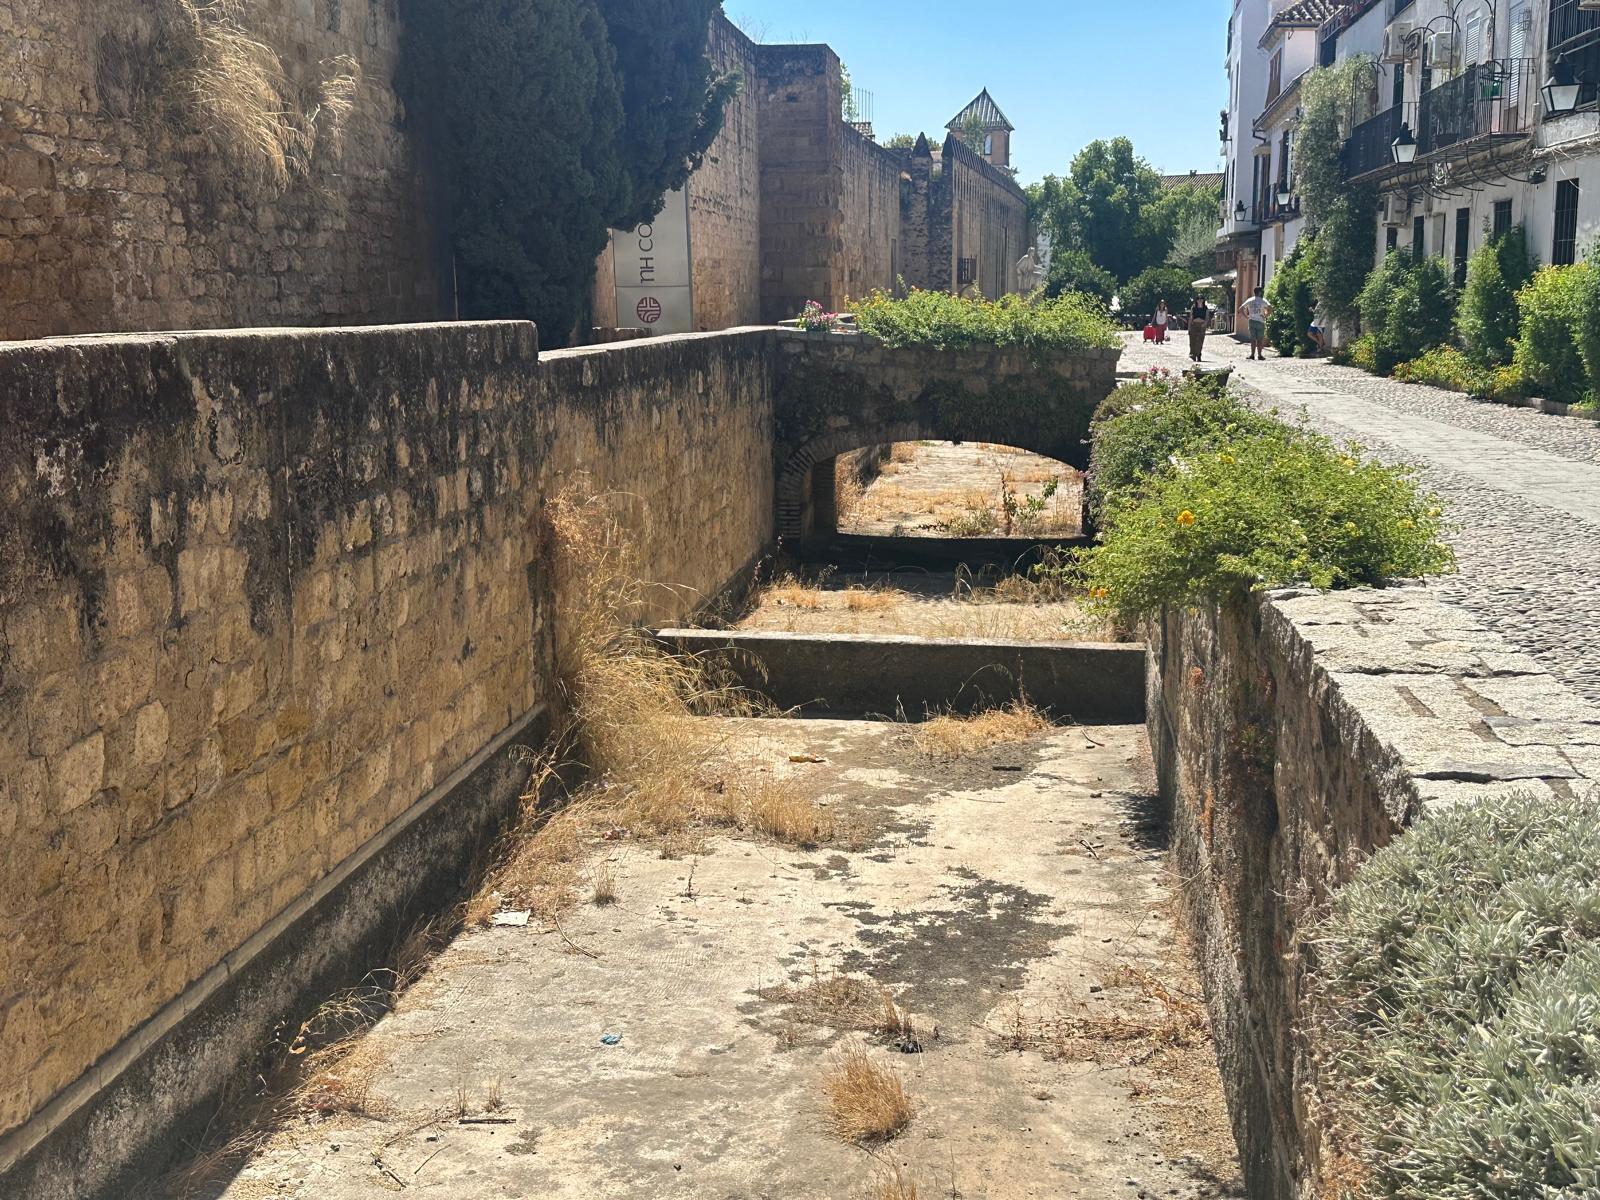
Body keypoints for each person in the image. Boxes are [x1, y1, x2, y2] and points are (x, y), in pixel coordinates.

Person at [1238, 287, 1272, 360]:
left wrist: (1246, 316)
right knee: (1260, 339)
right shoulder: (1263, 300)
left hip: (1252, 320)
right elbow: (1271, 308)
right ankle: (1259, 355)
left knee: (1253, 339)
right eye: (1262, 291)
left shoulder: (1250, 300)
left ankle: (1252, 355)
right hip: (1260, 321)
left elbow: (1240, 308)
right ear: (1259, 292)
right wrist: (1266, 315)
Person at [1188, 295, 1210, 363]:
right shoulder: (1193, 307)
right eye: (1198, 299)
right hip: (1194, 324)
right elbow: (1191, 317)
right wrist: (1189, 327)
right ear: (1196, 300)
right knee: (1192, 340)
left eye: (1201, 299)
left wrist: (1205, 324)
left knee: (1200, 341)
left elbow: (1207, 317)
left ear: (1203, 300)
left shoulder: (1205, 308)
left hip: (1202, 325)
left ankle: (1199, 354)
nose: (1200, 300)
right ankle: (1193, 354)